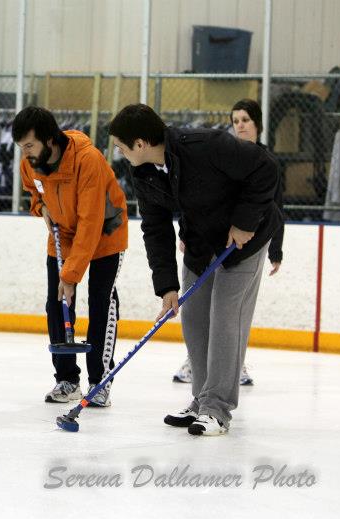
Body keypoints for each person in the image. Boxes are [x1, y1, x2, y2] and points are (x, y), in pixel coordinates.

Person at [109, 103, 280, 436]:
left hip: (244, 241)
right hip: (201, 245)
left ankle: (217, 408)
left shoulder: (205, 145)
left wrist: (244, 222)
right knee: (195, 319)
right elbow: (155, 227)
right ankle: (201, 401)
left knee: (225, 319)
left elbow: (266, 169)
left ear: (140, 144)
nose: (118, 151)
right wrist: (167, 286)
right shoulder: (142, 172)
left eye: (121, 145)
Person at [13, 107, 129, 406]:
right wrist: (42, 208)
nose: (24, 154)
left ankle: (99, 381)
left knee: (100, 301)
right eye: (21, 147)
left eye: (29, 146)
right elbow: (35, 192)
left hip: (105, 233)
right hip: (63, 234)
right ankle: (67, 380)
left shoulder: (88, 160)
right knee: (56, 303)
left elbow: (90, 222)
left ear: (50, 140)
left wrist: (71, 276)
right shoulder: (31, 164)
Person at [171, 98, 286, 386]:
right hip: (212, 244)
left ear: (257, 123)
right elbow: (198, 198)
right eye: (235, 121)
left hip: (245, 247)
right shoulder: (225, 155)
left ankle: (233, 367)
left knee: (229, 314)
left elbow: (275, 209)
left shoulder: (264, 161)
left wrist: (276, 250)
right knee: (200, 310)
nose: (240, 126)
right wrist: (188, 234)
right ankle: (197, 363)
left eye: (245, 120)